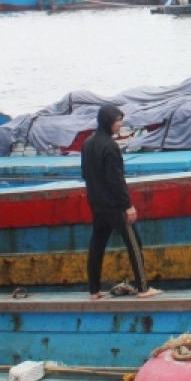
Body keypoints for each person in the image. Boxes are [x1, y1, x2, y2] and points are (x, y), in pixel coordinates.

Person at [82, 104, 161, 300]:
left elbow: (86, 174)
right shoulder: (110, 146)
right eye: (117, 121)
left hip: (97, 204)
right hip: (114, 206)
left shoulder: (87, 143)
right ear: (108, 122)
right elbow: (116, 180)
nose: (120, 124)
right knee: (134, 243)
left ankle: (94, 290)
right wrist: (128, 205)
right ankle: (143, 288)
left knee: (97, 245)